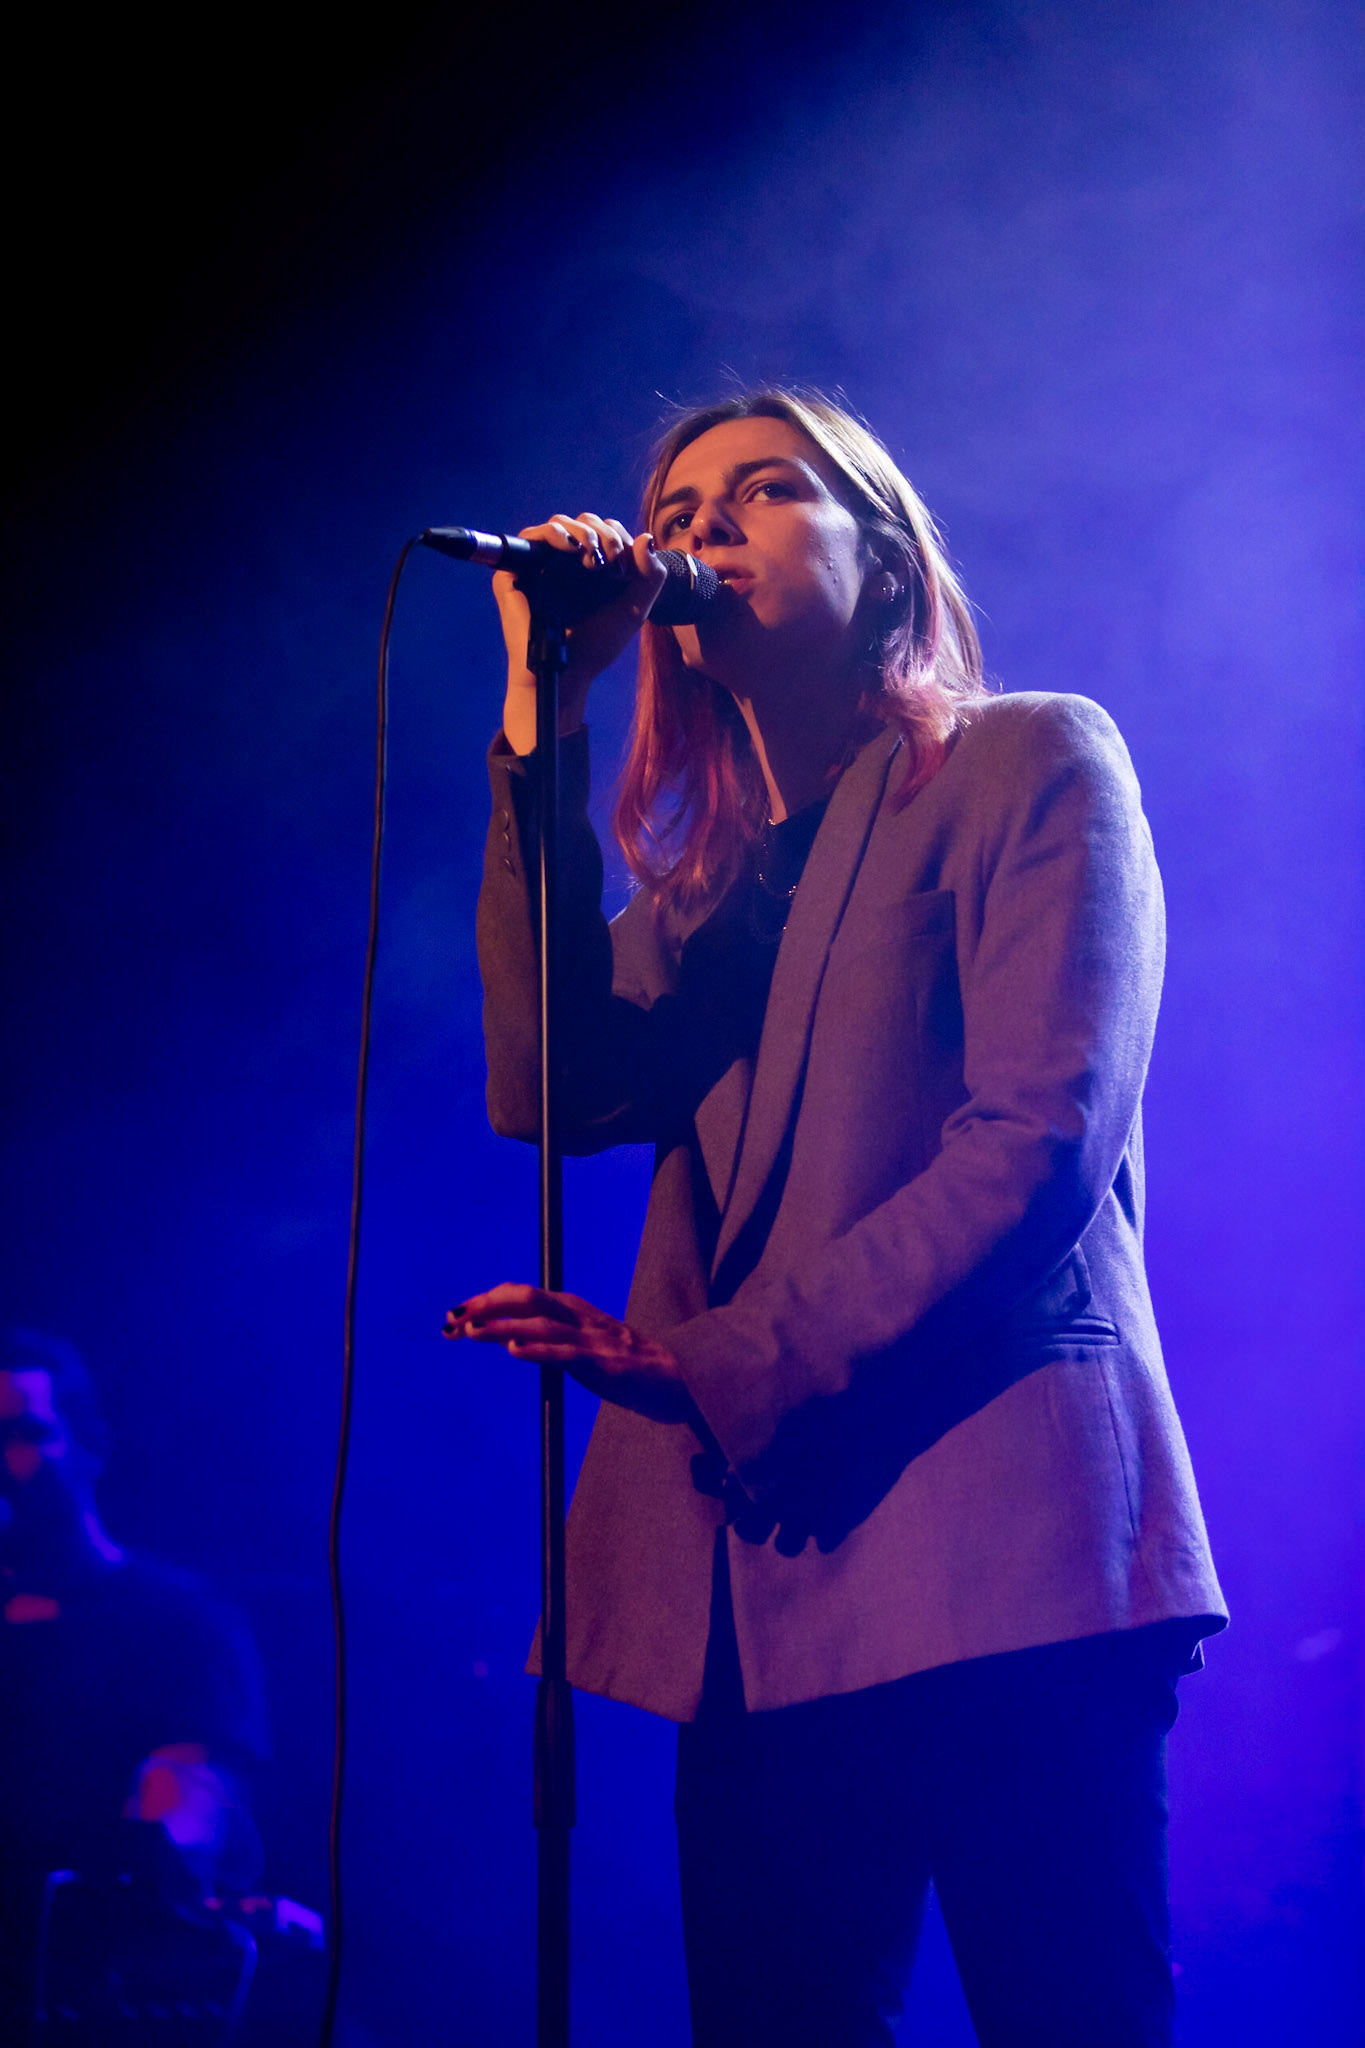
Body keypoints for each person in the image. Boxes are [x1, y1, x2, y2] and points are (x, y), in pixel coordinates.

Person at [445, 390, 1227, 2046]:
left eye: (768, 488)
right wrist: (542, 709)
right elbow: (549, 1087)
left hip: (1002, 1534)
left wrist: (710, 1358)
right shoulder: (704, 900)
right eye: (677, 502)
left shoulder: (1030, 758)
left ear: (888, 558)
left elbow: (1039, 1133)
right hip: (768, 1578)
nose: (702, 525)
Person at [0, 1327, 268, 2035]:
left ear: (90, 1445)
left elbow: (193, 1794)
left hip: (85, 1996)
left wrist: (168, 1835)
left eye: (22, 1434)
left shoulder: (180, 1619)